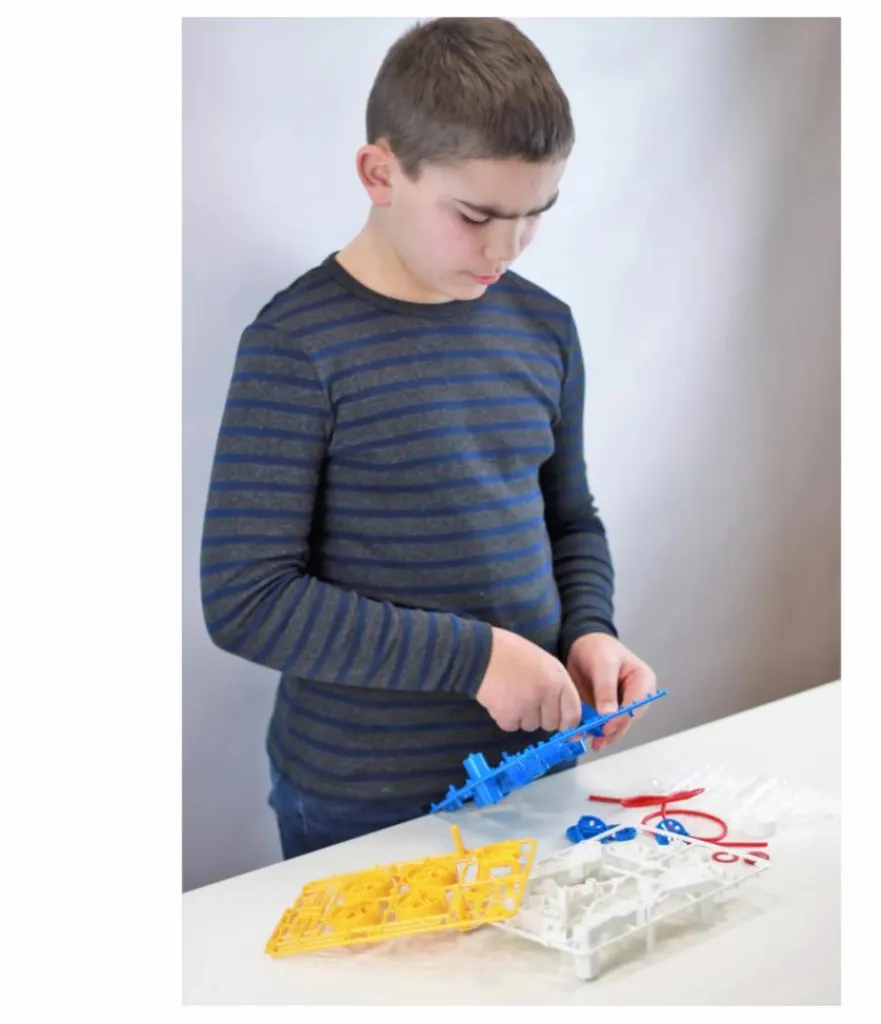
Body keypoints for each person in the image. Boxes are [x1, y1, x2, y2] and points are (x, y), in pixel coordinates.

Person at [200, 17, 657, 859]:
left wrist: (591, 630)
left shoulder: (545, 326)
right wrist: (472, 659)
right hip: (361, 801)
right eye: (476, 214)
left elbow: (569, 520)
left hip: (538, 769)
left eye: (535, 213)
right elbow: (246, 599)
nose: (507, 249)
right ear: (381, 173)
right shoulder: (296, 346)